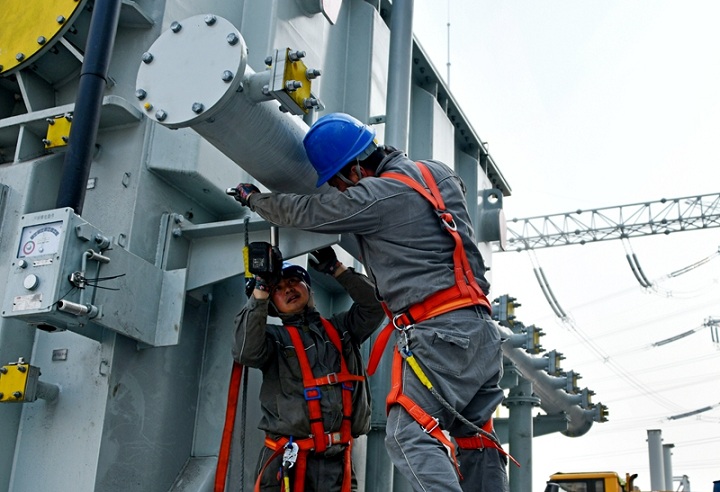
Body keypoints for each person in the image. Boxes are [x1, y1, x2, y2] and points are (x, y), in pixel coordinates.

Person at [231, 112, 510, 492]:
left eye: (338, 184)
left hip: (439, 331)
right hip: (480, 331)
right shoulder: (439, 174)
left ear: (353, 171)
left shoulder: (379, 195)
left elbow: (309, 212)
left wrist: (255, 199)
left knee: (406, 434)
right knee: (475, 438)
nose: (341, 192)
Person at [234, 247, 385, 492]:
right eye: (278, 289)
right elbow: (244, 351)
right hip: (285, 464)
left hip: (338, 464)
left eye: (294, 282)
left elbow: (375, 306)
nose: (288, 289)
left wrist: (336, 268)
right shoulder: (273, 340)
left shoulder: (342, 330)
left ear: (309, 288)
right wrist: (261, 286)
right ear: (272, 306)